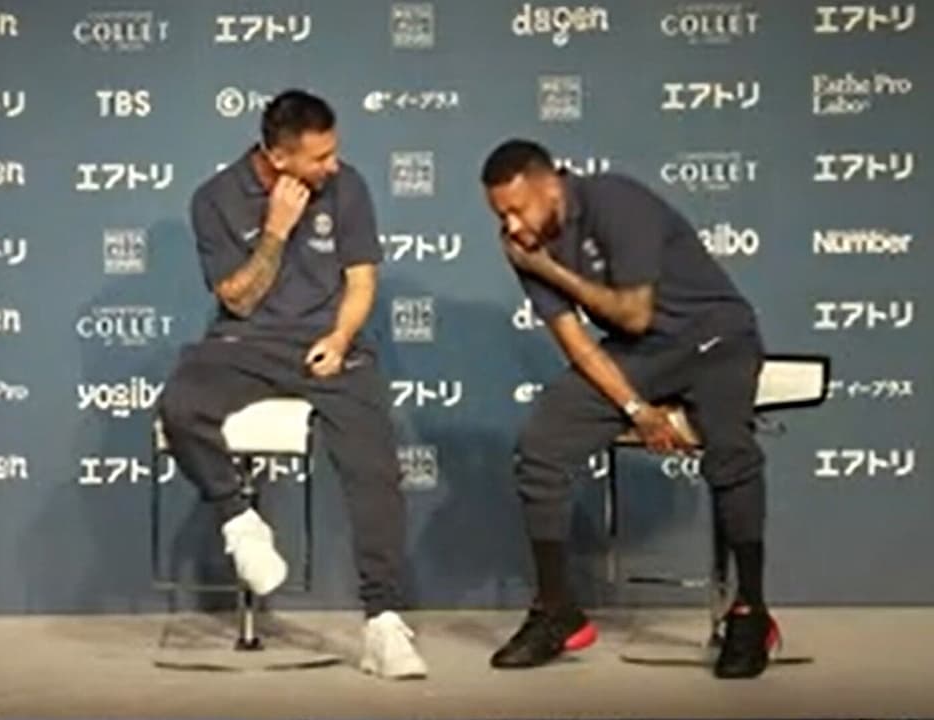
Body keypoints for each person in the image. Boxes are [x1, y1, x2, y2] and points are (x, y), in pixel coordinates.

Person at [479, 139, 776, 679]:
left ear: (551, 186)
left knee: (730, 448)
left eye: (518, 209)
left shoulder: (616, 201)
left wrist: (549, 269)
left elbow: (634, 313)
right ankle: (557, 612)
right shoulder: (522, 244)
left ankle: (751, 611)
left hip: (716, 337)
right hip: (642, 355)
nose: (512, 226)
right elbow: (578, 343)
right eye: (501, 215)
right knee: (541, 446)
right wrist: (637, 407)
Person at [157, 89, 427, 680]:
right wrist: (276, 231)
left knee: (375, 465)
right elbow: (238, 299)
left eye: (334, 151)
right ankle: (240, 521)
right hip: (247, 343)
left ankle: (383, 623)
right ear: (278, 158)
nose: (333, 165)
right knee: (180, 406)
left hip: (327, 343)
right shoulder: (215, 198)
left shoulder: (348, 187)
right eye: (319, 157)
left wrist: (341, 337)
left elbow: (361, 280)